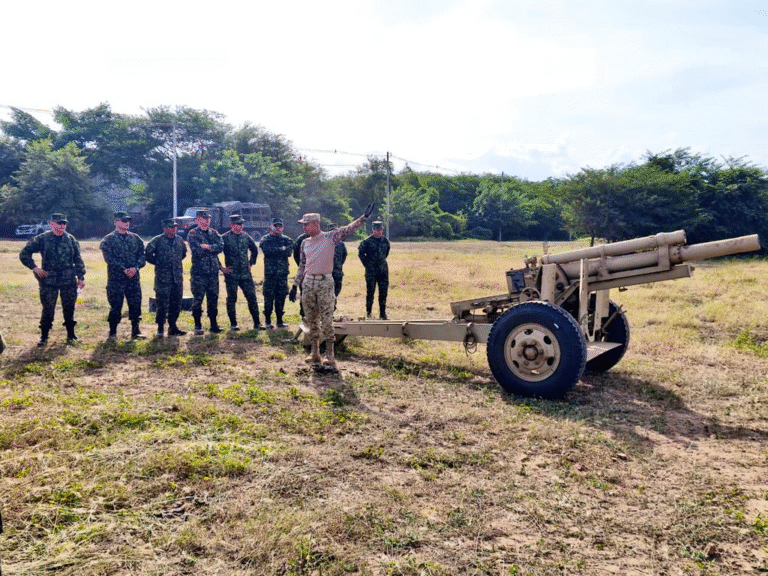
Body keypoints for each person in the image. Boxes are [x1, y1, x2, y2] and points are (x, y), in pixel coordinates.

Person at [289, 203, 374, 370]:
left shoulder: (330, 237)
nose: (304, 227)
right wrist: (295, 284)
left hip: (325, 283)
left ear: (315, 224)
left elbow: (348, 229)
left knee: (327, 319)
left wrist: (363, 218)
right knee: (311, 318)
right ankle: (315, 353)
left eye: (305, 224)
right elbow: (302, 265)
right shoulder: (305, 243)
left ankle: (330, 355)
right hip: (308, 283)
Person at [19, 212, 86, 346]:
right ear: (51, 224)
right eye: (59, 223)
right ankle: (44, 337)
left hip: (68, 280)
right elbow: (24, 253)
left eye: (64, 223)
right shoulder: (43, 239)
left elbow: (78, 259)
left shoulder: (71, 239)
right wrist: (34, 267)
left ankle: (71, 335)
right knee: (48, 308)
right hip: (49, 280)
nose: (62, 226)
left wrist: (81, 277)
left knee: (69, 307)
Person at [100, 211, 146, 340]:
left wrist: (136, 267)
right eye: (124, 221)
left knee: (135, 304)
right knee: (116, 305)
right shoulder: (108, 239)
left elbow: (142, 256)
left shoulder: (135, 238)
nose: (127, 223)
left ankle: (136, 331)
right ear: (116, 222)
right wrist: (123, 269)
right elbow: (108, 258)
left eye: (128, 221)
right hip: (116, 279)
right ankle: (113, 332)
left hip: (133, 279)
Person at [145, 218, 187, 337]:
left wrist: (175, 264)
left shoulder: (179, 240)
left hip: (177, 278)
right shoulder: (157, 241)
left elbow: (183, 254)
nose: (173, 229)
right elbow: (148, 254)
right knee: (162, 304)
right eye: (170, 227)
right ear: (165, 228)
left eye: (174, 227)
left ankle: (173, 327)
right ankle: (160, 328)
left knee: (176, 303)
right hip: (163, 278)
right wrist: (159, 263)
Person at [220, 214, 263, 331]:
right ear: (232, 225)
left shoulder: (246, 237)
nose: (239, 226)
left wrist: (251, 263)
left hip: (245, 274)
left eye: (241, 224)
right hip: (231, 274)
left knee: (252, 297)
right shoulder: (224, 238)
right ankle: (233, 324)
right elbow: (214, 253)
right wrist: (221, 268)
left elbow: (254, 250)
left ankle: (257, 323)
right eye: (237, 224)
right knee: (232, 299)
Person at [293, 227, 348, 316]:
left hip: (334, 274)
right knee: (308, 298)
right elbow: (297, 256)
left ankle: (328, 316)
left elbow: (344, 256)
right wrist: (307, 268)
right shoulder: (304, 240)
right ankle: (306, 318)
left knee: (331, 297)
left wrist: (337, 267)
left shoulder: (340, 244)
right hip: (311, 273)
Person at [187, 209, 224, 335]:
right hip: (199, 273)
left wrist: (207, 246)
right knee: (198, 300)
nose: (206, 221)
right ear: (197, 219)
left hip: (213, 272)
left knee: (213, 298)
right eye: (204, 218)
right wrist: (212, 248)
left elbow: (220, 246)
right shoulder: (193, 233)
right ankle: (197, 325)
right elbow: (196, 250)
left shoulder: (214, 233)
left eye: (208, 218)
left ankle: (214, 324)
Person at [259, 217, 293, 329]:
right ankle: (268, 321)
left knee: (281, 296)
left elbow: (289, 252)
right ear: (271, 226)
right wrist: (281, 249)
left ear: (282, 228)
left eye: (280, 227)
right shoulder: (266, 239)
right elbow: (267, 251)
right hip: (270, 274)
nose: (278, 229)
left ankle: (279, 320)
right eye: (276, 226)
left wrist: (279, 250)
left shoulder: (287, 240)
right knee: (268, 297)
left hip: (282, 274)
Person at [358, 220, 391, 319]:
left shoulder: (385, 241)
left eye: (381, 230)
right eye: (377, 230)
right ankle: (369, 313)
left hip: (383, 271)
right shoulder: (367, 242)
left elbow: (386, 253)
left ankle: (383, 313)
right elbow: (360, 253)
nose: (379, 232)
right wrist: (367, 264)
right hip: (371, 271)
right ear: (373, 230)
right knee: (370, 292)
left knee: (383, 292)